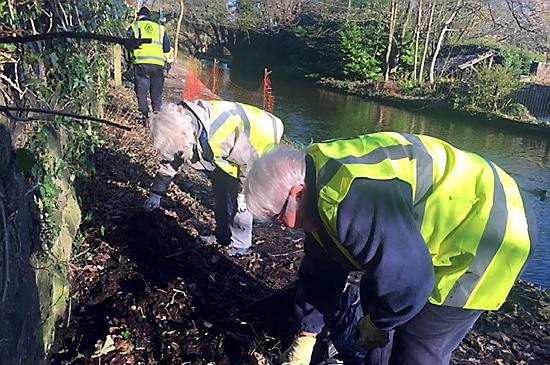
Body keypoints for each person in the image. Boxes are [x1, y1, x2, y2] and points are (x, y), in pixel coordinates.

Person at [243, 132, 536, 365]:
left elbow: (410, 280)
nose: (280, 227)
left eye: (278, 218)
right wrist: (306, 335)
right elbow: (322, 269)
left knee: (420, 346)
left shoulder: (351, 198)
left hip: (492, 227)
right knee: (378, 299)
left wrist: (380, 322)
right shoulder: (317, 184)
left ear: (298, 193)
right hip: (435, 227)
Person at [143, 100, 284, 257]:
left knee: (238, 200)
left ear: (185, 137)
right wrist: (156, 194)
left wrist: (244, 194)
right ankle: (222, 236)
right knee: (221, 193)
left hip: (262, 136)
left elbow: (248, 162)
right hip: (231, 154)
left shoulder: (222, 133)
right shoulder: (180, 125)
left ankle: (241, 244)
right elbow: (172, 160)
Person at [128, 6, 171, 124]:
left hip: (141, 64)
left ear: (139, 16)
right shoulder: (160, 29)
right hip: (158, 65)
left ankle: (145, 117)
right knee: (156, 93)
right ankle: (157, 119)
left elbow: (127, 44)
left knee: (142, 91)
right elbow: (167, 48)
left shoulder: (135, 26)